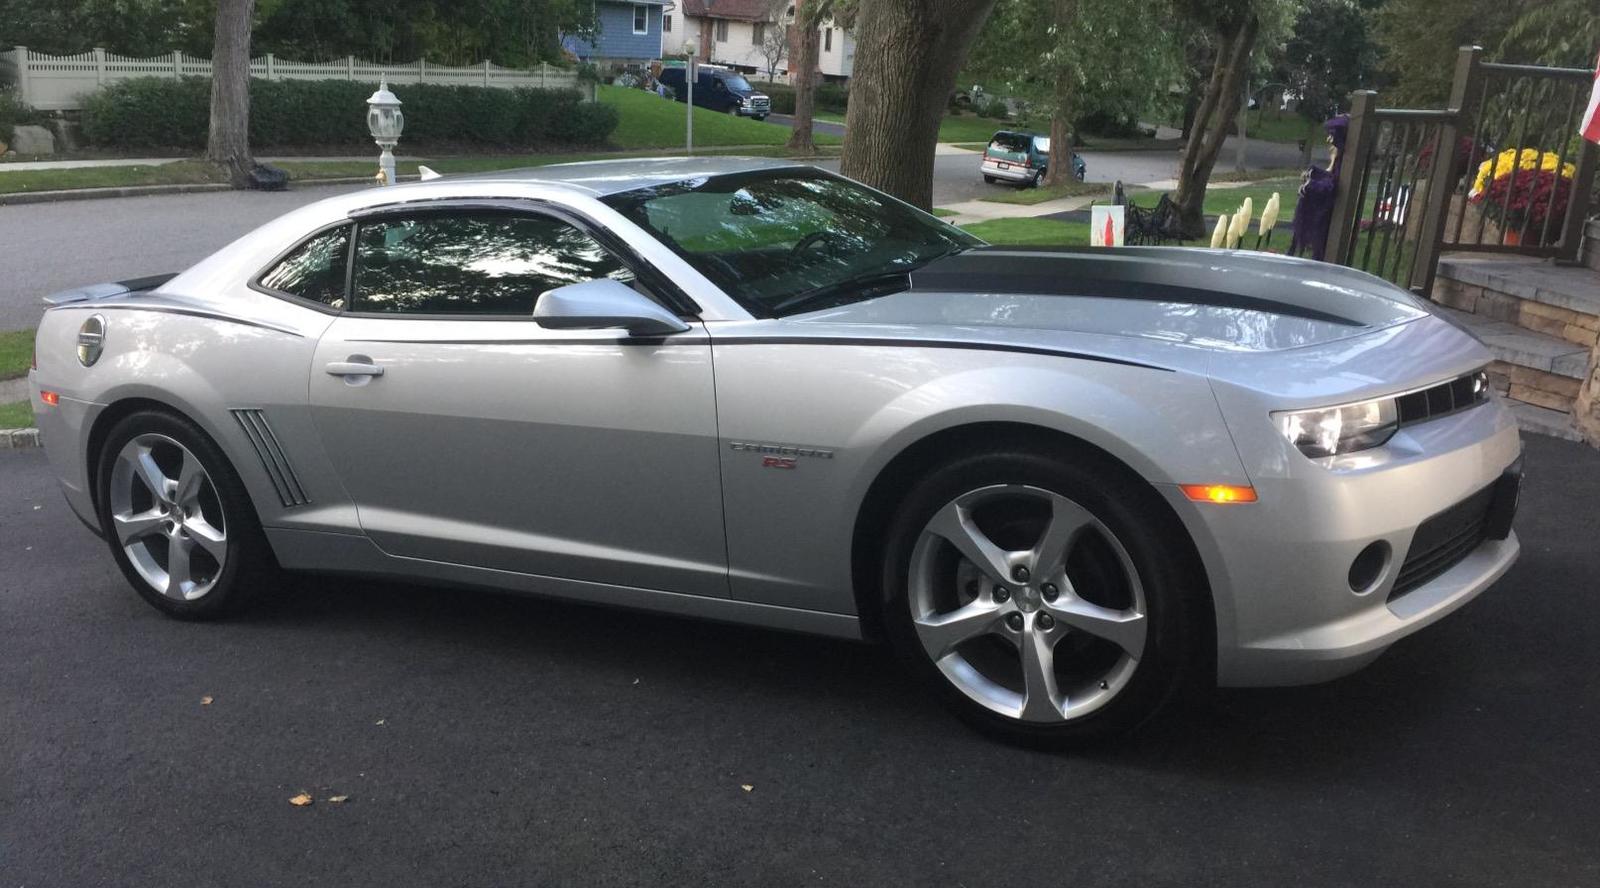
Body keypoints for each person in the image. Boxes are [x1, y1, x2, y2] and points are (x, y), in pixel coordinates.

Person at [1289, 115, 1349, 261]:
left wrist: (1311, 185)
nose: (1329, 140)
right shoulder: (1339, 156)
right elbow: (1331, 175)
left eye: (1331, 135)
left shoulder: (1343, 159)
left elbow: (1333, 185)